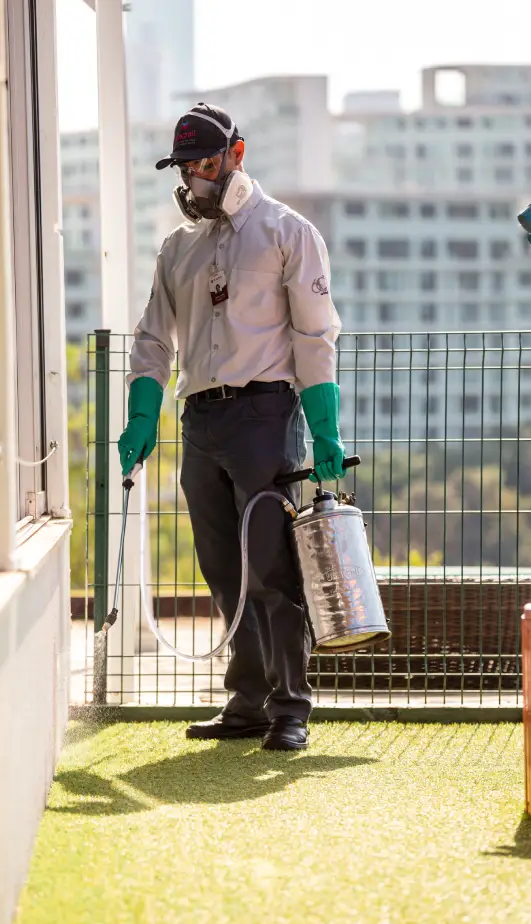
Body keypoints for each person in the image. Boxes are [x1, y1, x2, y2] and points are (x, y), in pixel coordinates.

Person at [118, 103, 345, 751]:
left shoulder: (285, 232)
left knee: (273, 568)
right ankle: (245, 701)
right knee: (221, 569)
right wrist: (140, 415)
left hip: (266, 415)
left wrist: (324, 428)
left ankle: (290, 706)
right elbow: (152, 341)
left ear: (236, 156)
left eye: (207, 163)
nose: (195, 178)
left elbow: (314, 332)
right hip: (202, 419)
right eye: (185, 167)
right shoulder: (176, 249)